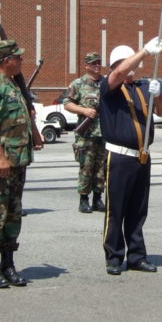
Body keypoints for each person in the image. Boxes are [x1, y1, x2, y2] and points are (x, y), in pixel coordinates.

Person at [0, 39, 43, 288]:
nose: (22, 61)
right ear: (7, 60)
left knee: (13, 215)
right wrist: (0, 156)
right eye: (18, 57)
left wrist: (34, 133)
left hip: (17, 163)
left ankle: (9, 264)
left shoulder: (12, 84)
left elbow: (23, 113)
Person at [98, 38, 162, 275]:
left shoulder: (141, 87)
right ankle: (114, 255)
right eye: (124, 63)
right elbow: (118, 72)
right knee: (116, 209)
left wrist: (158, 95)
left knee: (138, 210)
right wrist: (145, 51)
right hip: (119, 156)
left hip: (141, 157)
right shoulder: (109, 87)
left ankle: (137, 255)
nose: (129, 68)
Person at [63, 51, 107, 214]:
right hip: (86, 134)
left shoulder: (106, 83)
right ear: (86, 65)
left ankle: (98, 198)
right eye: (93, 63)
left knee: (101, 167)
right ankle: (84, 199)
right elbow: (67, 103)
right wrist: (84, 110)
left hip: (103, 133)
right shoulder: (78, 84)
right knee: (86, 167)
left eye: (99, 62)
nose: (97, 65)